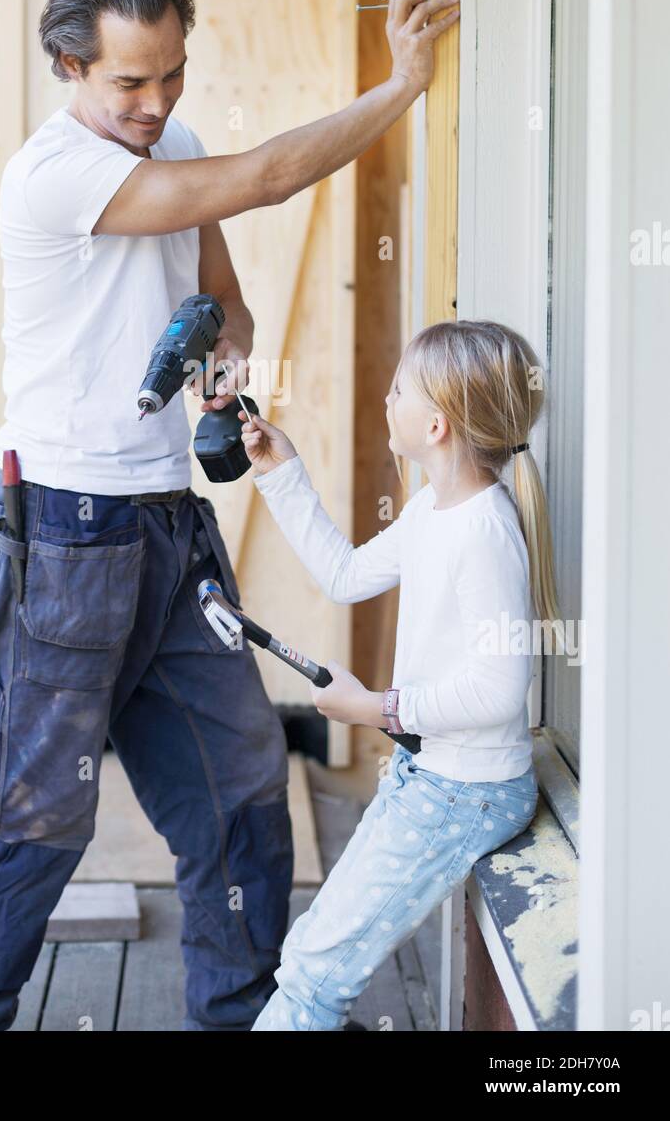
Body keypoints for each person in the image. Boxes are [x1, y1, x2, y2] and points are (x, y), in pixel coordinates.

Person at [0, 0, 458, 1032]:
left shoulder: (174, 142)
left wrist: (224, 356)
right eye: (128, 83)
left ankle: (241, 1009)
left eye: (171, 75)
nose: (156, 104)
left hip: (167, 529)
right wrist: (398, 89)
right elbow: (265, 180)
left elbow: (224, 301)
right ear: (69, 65)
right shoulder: (54, 171)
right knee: (31, 810)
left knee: (242, 784)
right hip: (62, 535)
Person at [239, 319, 561, 1031]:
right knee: (309, 965)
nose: (387, 400)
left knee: (312, 979)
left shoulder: (483, 530)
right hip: (435, 779)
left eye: (397, 390)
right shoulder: (436, 512)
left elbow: (499, 688)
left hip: (464, 792)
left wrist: (375, 708)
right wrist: (281, 473)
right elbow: (345, 574)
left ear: (438, 424)